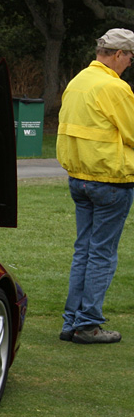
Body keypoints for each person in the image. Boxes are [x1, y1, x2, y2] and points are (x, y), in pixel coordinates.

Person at [57, 28, 134, 344]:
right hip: (111, 181)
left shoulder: (77, 82)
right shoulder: (115, 87)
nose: (129, 63)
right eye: (130, 57)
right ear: (118, 54)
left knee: (84, 251)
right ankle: (88, 325)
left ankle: (71, 321)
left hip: (79, 179)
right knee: (102, 253)